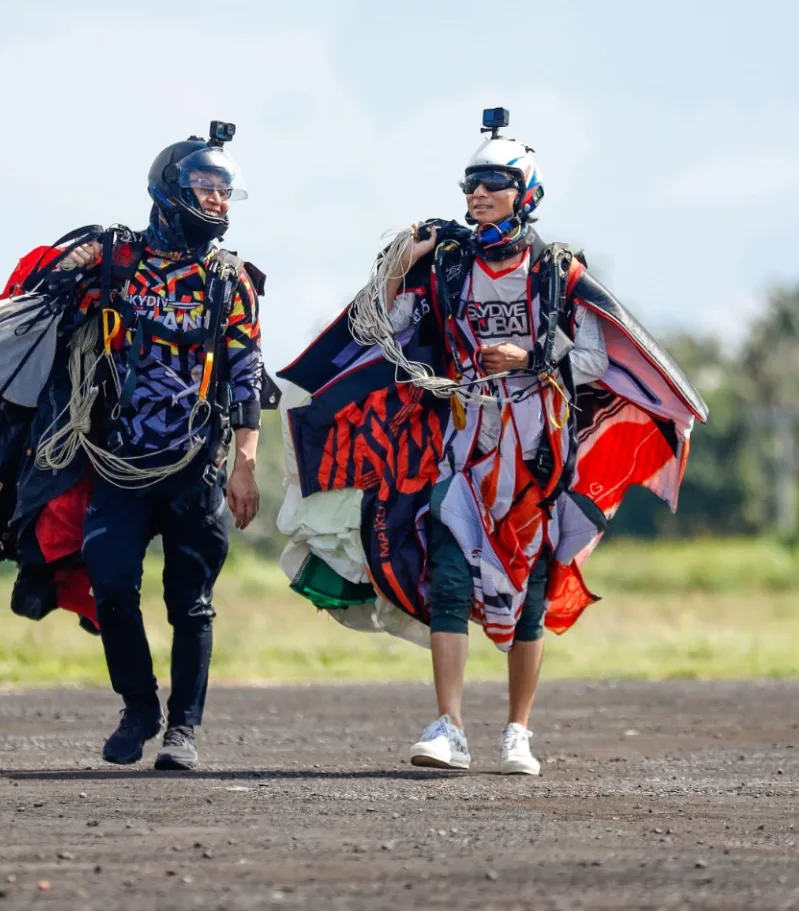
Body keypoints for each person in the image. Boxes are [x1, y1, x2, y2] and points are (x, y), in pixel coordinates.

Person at [276, 108, 707, 775]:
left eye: (494, 183)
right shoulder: (447, 267)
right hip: (460, 452)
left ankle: (517, 732)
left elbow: (593, 356)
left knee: (529, 595)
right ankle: (448, 725)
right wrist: (401, 265)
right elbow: (378, 328)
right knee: (447, 580)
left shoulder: (557, 271)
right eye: (471, 184)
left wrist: (531, 355)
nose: (478, 195)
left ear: (525, 192)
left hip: (536, 459)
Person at [0, 122, 271, 772]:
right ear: (171, 189)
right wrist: (69, 268)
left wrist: (244, 464)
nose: (217, 202)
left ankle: (183, 730)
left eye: (226, 192)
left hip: (196, 467)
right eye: (206, 188)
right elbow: (49, 285)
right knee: (114, 585)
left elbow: (246, 372)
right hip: (119, 465)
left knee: (192, 601)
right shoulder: (115, 258)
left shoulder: (230, 280)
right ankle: (139, 706)